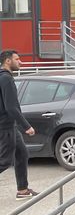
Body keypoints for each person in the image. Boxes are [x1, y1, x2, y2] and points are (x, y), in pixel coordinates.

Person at [0, 50, 38, 201]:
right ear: (8, 61)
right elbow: (11, 107)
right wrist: (26, 126)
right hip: (5, 125)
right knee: (4, 161)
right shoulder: (6, 79)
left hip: (9, 125)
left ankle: (22, 190)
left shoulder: (4, 77)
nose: (20, 61)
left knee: (22, 154)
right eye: (17, 59)